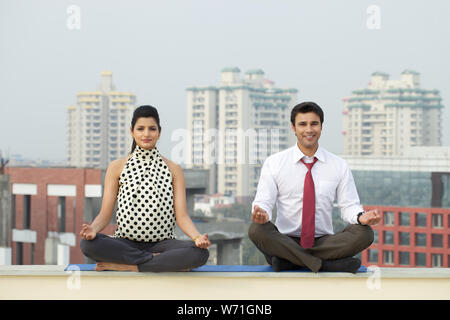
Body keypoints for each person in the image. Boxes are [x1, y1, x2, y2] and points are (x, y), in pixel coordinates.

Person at [248, 101, 380, 273]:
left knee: (365, 233)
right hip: (284, 241)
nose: (309, 129)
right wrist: (262, 214)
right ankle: (324, 265)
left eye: (314, 124)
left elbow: (348, 205)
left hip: (324, 242)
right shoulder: (275, 163)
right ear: (293, 127)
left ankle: (292, 262)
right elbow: (264, 201)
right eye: (302, 124)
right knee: (256, 229)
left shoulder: (338, 165)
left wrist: (361, 217)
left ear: (321, 127)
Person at [80, 105, 210, 272]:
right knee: (88, 245)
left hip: (163, 244)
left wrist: (197, 238)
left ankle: (130, 267)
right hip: (126, 243)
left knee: (200, 254)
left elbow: (182, 216)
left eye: (152, 129)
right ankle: (157, 263)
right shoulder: (117, 167)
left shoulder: (173, 169)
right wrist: (93, 229)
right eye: (140, 129)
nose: (146, 134)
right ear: (132, 131)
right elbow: (105, 215)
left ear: (159, 132)